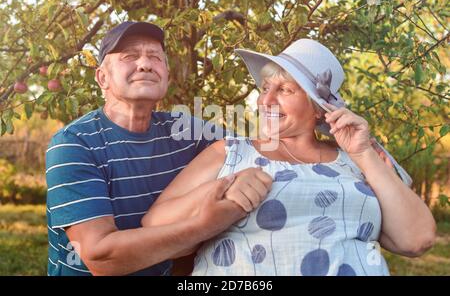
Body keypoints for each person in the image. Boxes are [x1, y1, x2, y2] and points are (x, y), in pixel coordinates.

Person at [141, 39, 436, 275]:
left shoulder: (357, 161)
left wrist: (363, 153)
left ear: (319, 109)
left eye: (284, 90)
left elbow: (416, 239)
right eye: (266, 88)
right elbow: (154, 225)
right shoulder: (231, 151)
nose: (266, 100)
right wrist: (223, 189)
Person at [45, 21, 274, 276]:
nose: (144, 64)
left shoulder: (185, 131)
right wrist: (203, 226)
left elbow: (258, 150)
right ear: (102, 77)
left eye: (155, 57)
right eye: (129, 57)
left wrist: (324, 127)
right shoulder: (73, 144)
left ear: (166, 74)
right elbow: (102, 258)